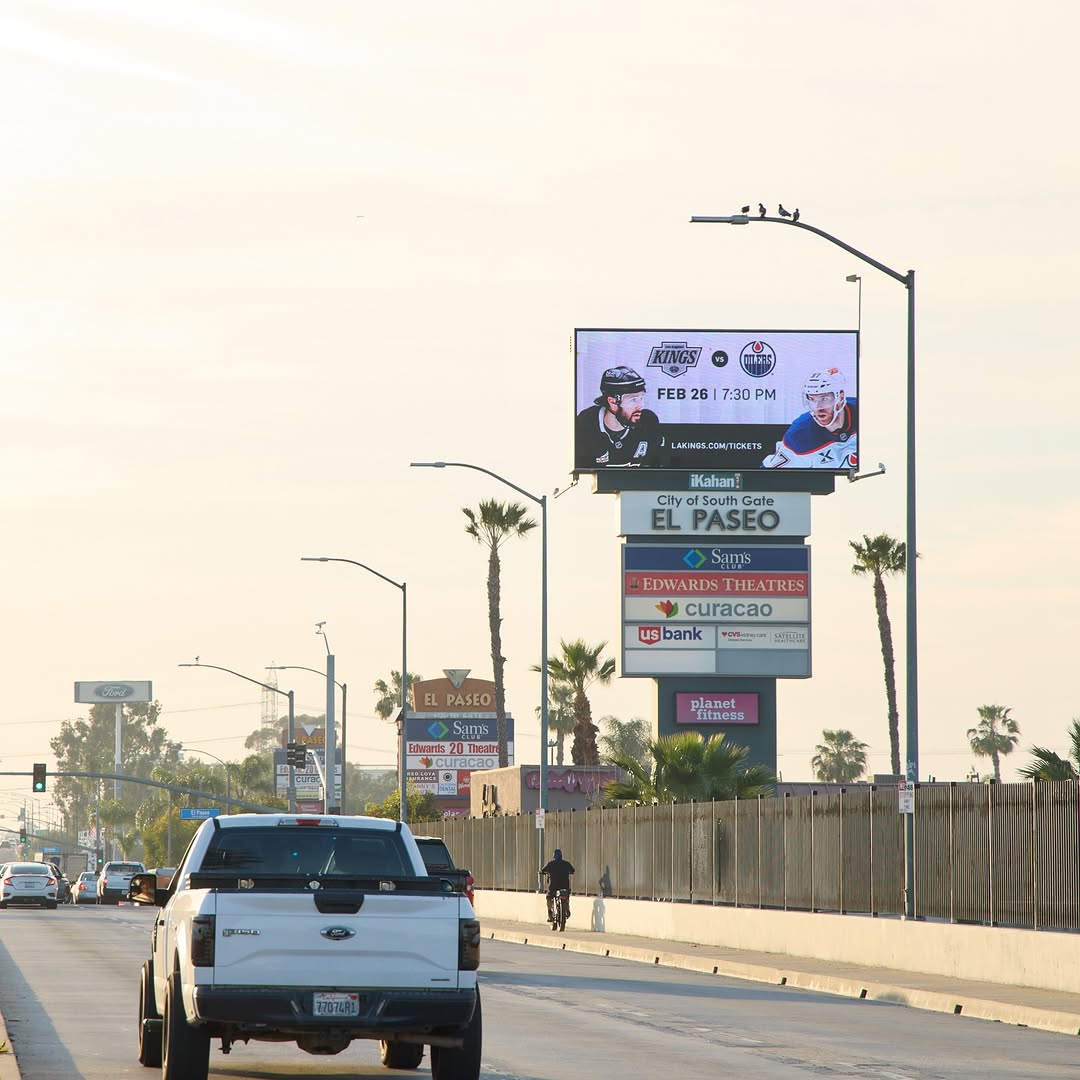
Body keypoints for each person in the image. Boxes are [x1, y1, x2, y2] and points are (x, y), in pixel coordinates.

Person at [762, 367, 858, 469]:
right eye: (812, 399)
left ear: (841, 398)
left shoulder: (864, 412)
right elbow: (768, 474)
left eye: (824, 399)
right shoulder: (799, 434)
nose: (818, 407)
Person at [576, 366, 666, 467]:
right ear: (613, 402)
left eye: (641, 398)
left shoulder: (648, 421)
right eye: (633, 399)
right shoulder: (585, 423)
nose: (640, 406)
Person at [541, 848, 575, 920]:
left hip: (554, 886)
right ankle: (567, 909)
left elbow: (542, 870)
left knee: (549, 897)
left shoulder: (550, 864)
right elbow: (572, 870)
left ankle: (550, 912)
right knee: (566, 896)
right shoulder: (566, 864)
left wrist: (543, 872)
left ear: (554, 856)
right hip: (565, 886)